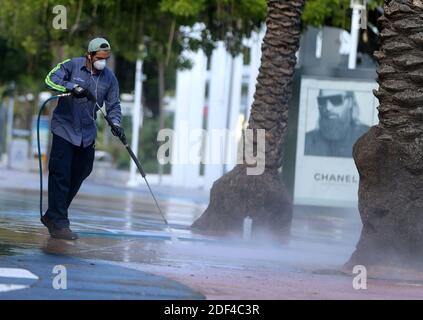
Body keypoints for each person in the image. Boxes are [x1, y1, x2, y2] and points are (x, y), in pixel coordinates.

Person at [42, 37, 125, 240]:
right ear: (89, 55)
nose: (102, 62)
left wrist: (116, 124)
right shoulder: (71, 65)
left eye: (106, 58)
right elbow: (50, 79)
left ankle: (54, 214)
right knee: (60, 174)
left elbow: (113, 106)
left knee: (82, 171)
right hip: (64, 129)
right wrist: (72, 87)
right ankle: (60, 222)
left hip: (87, 134)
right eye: (99, 58)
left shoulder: (109, 78)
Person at [304, 89, 370, 158]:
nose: (328, 107)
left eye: (336, 99)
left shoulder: (369, 138)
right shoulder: (306, 142)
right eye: (322, 101)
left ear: (350, 102)